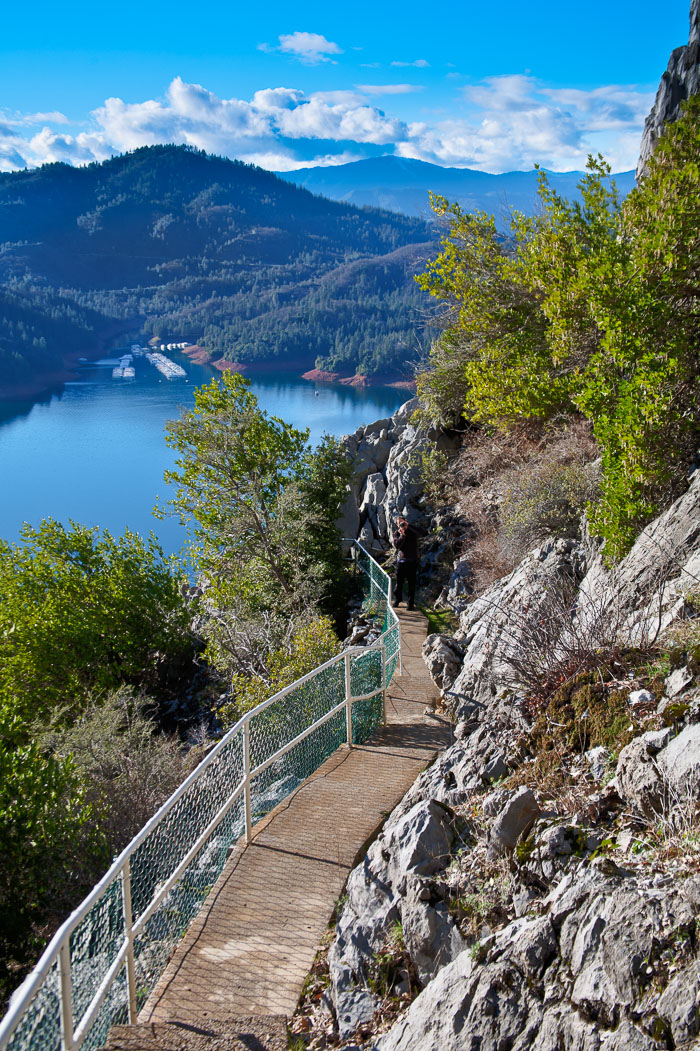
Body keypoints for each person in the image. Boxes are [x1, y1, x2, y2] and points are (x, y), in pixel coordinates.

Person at [392, 515, 418, 610]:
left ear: (405, 521)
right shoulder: (397, 534)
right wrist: (402, 535)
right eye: (399, 523)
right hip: (402, 562)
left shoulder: (412, 532)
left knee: (411, 584)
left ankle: (410, 604)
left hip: (412, 561)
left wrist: (409, 526)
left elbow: (423, 532)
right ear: (397, 525)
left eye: (402, 522)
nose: (401, 524)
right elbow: (397, 545)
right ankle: (397, 600)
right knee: (399, 583)